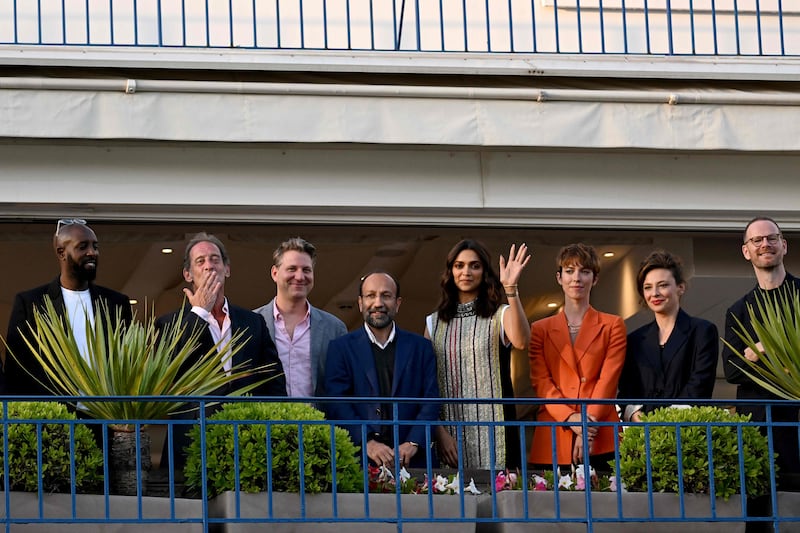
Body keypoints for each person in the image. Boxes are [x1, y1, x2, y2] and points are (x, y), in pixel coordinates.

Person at [426, 239, 531, 470]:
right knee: (453, 503)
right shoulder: (433, 323)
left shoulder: (500, 314)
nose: (466, 272)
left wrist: (511, 290)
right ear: (450, 271)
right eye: (459, 265)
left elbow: (522, 341)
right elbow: (426, 383)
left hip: (498, 433)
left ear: (484, 272)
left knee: (501, 502)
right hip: (449, 437)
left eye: (474, 266)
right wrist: (439, 431)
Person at [3, 218, 132, 396]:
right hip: (53, 418)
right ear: (61, 252)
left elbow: (129, 363)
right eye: (83, 246)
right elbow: (16, 369)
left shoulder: (116, 303)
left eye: (95, 246)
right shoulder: (31, 303)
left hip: (105, 417)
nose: (92, 252)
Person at [325, 271, 440, 468]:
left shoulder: (421, 348)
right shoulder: (340, 348)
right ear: (360, 303)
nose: (378, 303)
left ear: (398, 303)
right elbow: (337, 403)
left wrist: (413, 442)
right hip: (359, 460)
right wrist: (367, 442)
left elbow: (431, 401)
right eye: (371, 295)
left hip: (415, 462)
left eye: (386, 296)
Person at [528, 243, 626, 468]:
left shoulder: (613, 325)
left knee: (608, 502)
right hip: (554, 433)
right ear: (559, 277)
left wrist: (586, 429)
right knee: (549, 503)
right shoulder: (540, 329)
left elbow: (608, 381)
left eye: (585, 271)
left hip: (601, 434)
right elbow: (541, 382)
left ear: (595, 278)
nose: (577, 278)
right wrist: (571, 419)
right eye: (569, 271)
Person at [156, 232, 286, 397]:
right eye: (200, 261)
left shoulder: (253, 322)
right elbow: (168, 371)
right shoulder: (169, 323)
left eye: (215, 259)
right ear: (187, 274)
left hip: (244, 421)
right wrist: (200, 312)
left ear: (227, 270)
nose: (209, 266)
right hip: (198, 421)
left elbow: (273, 379)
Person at [722, 217, 800, 484]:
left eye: (772, 238)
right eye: (757, 240)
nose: (765, 244)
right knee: (760, 511)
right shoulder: (739, 310)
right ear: (747, 251)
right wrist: (773, 353)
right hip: (759, 426)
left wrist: (758, 351)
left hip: (796, 422)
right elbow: (732, 370)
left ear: (784, 245)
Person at [619, 250, 718, 421]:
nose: (655, 293)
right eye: (648, 287)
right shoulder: (635, 340)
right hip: (643, 436)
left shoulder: (703, 331)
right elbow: (627, 390)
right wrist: (635, 414)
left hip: (687, 432)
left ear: (680, 287)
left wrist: (666, 420)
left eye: (663, 285)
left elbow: (700, 384)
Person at [254, 237, 347, 398]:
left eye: (306, 270)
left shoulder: (334, 328)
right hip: (266, 423)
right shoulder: (251, 323)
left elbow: (343, 386)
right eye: (292, 269)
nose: (299, 276)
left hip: (319, 422)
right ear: (275, 273)